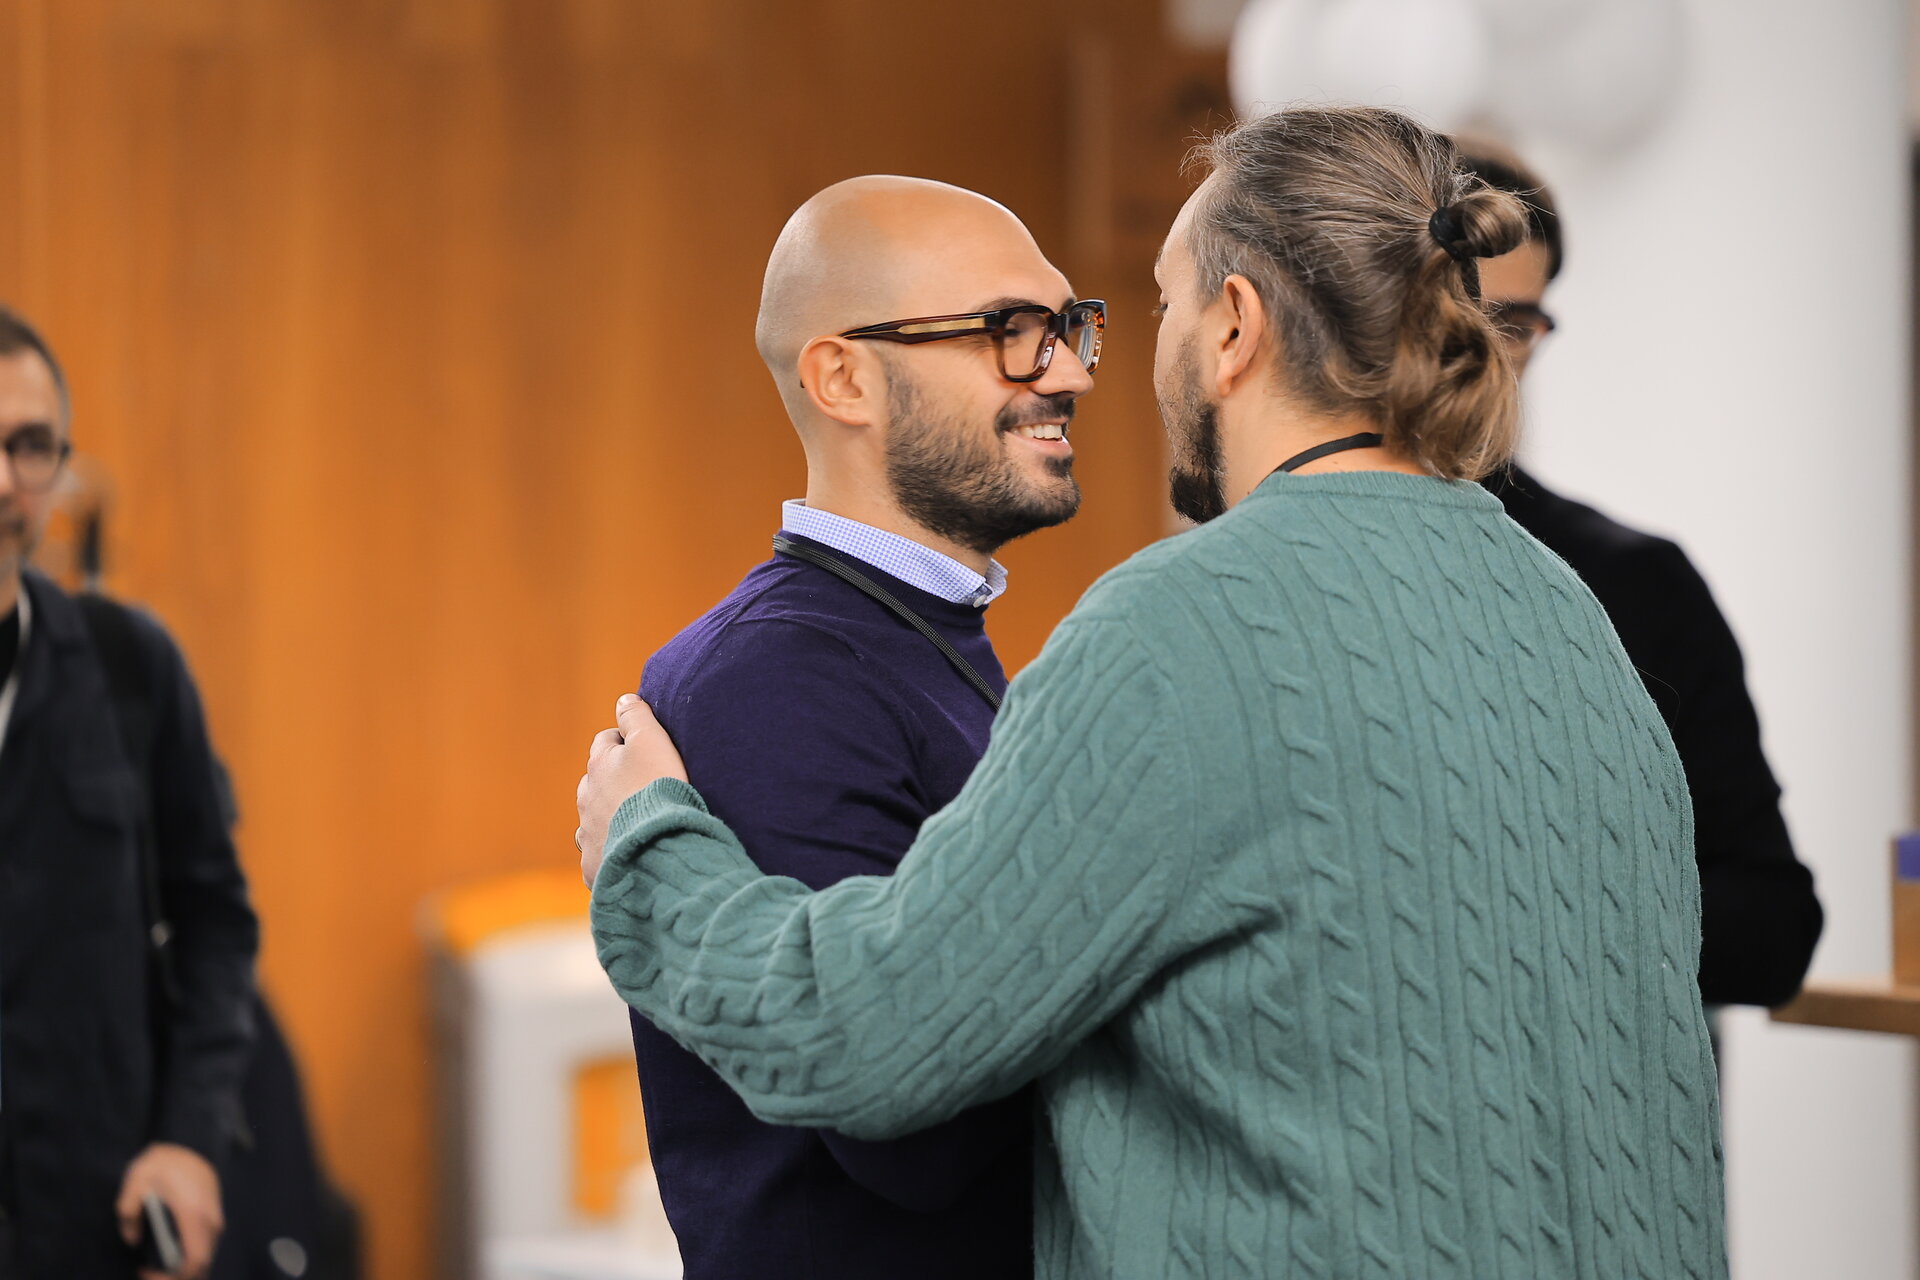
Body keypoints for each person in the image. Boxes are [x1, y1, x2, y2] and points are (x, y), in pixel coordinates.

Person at [576, 107, 1727, 1279]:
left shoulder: (1182, 629)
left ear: (1234, 326)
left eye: (1159, 304)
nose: (1086, 368)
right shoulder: (1570, 613)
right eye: (1014, 331)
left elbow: (877, 1041)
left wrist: (648, 852)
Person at [584, 175, 1099, 1278]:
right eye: (1011, 330)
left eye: (1068, 327)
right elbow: (911, 1135)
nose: (1066, 371)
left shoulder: (918, 640)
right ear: (844, 377)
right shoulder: (775, 678)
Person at [1463, 145, 1823, 1008]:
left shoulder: (1639, 584)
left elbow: (1774, 923)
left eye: (1512, 325)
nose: (1476, 355)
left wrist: (1543, 911)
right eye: (1453, 313)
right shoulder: (1279, 574)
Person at [0, 307, 259, 1279]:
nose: (3, 481)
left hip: (90, 1232)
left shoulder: (129, 667)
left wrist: (189, 1137)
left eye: (29, 446)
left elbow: (214, 923)